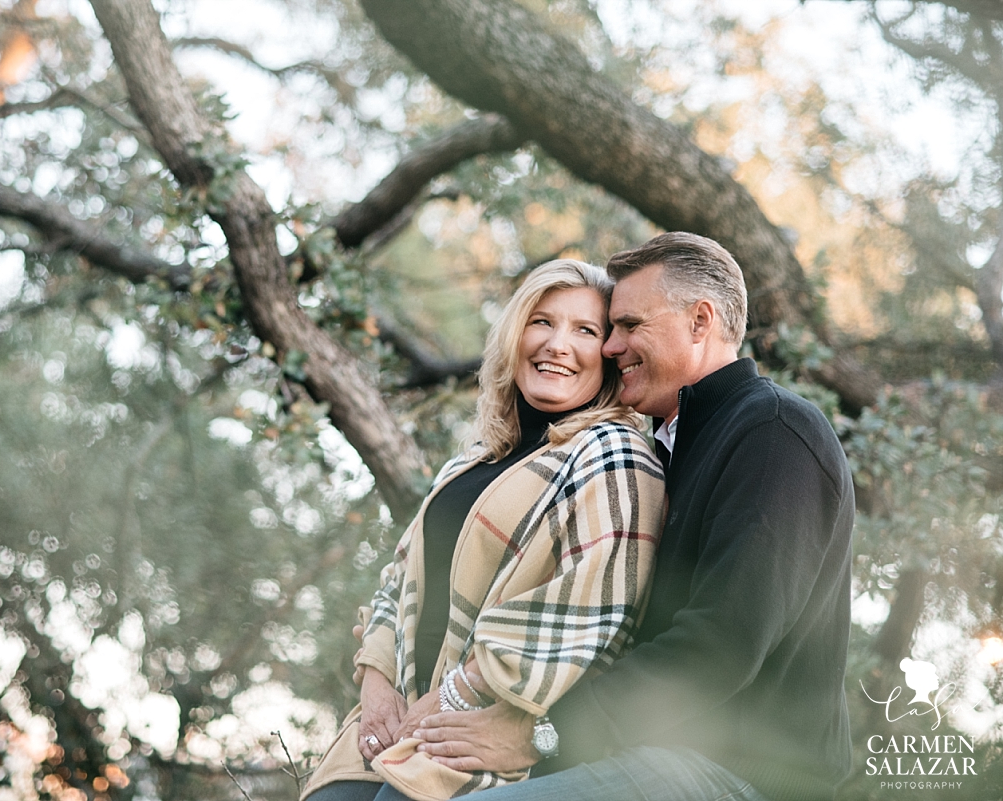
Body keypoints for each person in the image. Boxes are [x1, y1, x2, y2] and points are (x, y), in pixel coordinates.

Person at [405, 232, 856, 801]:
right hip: (644, 754)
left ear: (700, 321)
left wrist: (545, 735)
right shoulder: (674, 448)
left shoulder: (773, 433)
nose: (612, 347)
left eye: (629, 326)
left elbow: (720, 643)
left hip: (739, 776)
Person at [303, 260, 666, 801]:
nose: (558, 345)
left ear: (609, 354)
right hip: (393, 722)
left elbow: (592, 613)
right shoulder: (473, 460)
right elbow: (398, 580)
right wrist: (376, 683)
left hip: (474, 742)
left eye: (586, 331)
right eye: (542, 321)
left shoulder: (613, 455)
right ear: (515, 332)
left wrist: (453, 695)